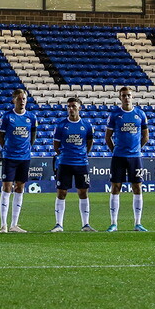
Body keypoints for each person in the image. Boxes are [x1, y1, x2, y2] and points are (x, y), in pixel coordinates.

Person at [104, 86, 148, 232]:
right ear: (120, 97)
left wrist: (136, 149)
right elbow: (108, 137)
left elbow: (145, 136)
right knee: (116, 187)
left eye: (128, 95)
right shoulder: (115, 114)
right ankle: (113, 223)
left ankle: (138, 223)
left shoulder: (140, 114)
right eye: (124, 95)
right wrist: (115, 151)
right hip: (118, 157)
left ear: (132, 96)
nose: (126, 98)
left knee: (137, 187)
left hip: (135, 157)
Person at [51, 97, 95, 232]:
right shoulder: (60, 125)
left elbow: (89, 143)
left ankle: (85, 224)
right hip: (65, 163)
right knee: (61, 192)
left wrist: (81, 154)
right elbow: (56, 146)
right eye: (69, 106)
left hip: (81, 163)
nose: (71, 109)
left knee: (83, 192)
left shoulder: (87, 125)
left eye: (74, 106)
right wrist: (65, 155)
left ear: (79, 108)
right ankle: (59, 224)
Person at [0, 88, 38, 233]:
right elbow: (0, 137)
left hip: (24, 157)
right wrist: (7, 149)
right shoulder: (7, 117)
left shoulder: (31, 117)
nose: (22, 101)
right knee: (7, 187)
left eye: (24, 99)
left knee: (20, 187)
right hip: (9, 157)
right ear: (13, 100)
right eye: (19, 99)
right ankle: (3, 224)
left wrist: (26, 148)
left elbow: (32, 136)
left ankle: (14, 224)